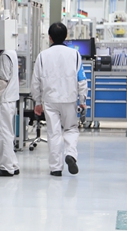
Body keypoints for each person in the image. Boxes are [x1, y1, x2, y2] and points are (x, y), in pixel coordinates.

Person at [31, 22, 87, 177]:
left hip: (50, 100)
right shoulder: (75, 55)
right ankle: (70, 154)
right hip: (69, 98)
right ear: (66, 36)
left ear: (49, 37)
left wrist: (37, 102)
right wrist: (83, 100)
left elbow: (35, 82)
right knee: (71, 129)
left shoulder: (42, 56)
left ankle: (56, 168)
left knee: (53, 132)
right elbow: (82, 79)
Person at [0, 33, 20, 177]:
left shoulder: (4, 56)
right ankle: (13, 164)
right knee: (7, 132)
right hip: (10, 99)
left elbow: (2, 81)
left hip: (4, 100)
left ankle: (6, 167)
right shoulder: (11, 52)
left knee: (3, 134)